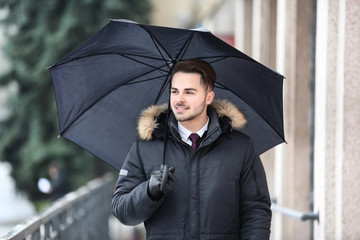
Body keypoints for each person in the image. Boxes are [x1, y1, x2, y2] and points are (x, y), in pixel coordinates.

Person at [112, 59, 272, 239]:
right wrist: (148, 191)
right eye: (175, 91)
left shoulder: (240, 147)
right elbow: (122, 210)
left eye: (189, 92)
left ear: (208, 97)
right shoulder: (145, 147)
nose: (179, 99)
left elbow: (256, 210)